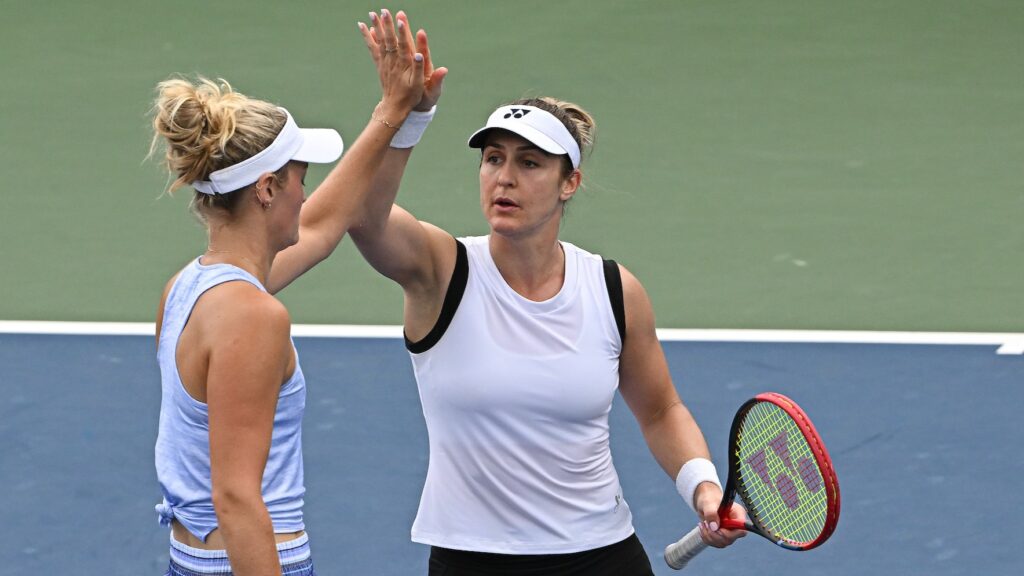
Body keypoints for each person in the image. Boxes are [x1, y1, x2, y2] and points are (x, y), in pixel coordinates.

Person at [349, 13, 746, 575]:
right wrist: (406, 119)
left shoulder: (612, 289)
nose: (504, 178)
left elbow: (660, 410)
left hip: (602, 557)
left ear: (569, 183)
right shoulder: (443, 271)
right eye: (493, 159)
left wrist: (704, 489)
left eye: (529, 163)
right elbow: (364, 219)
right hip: (473, 561)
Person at [149, 9, 443, 575]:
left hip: (196, 560)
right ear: (266, 189)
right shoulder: (254, 315)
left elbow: (328, 222)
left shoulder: (188, 290)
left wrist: (400, 116)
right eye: (300, 179)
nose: (306, 197)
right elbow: (236, 498)